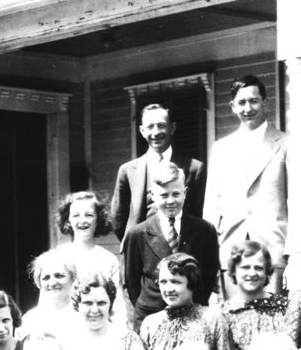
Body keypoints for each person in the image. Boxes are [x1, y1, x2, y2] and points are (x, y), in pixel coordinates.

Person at [203, 75, 290, 295]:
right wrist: (210, 257)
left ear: (265, 103)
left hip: (273, 247)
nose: (248, 108)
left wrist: (293, 253)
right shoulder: (222, 148)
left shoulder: (287, 143)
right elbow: (212, 206)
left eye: (253, 101)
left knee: (274, 319)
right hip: (231, 250)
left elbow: (298, 203)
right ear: (233, 107)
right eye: (241, 102)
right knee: (232, 320)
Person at [124, 162, 221, 330]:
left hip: (194, 317)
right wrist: (150, 306)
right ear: (152, 195)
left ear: (185, 193)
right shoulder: (137, 234)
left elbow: (209, 275)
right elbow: (132, 282)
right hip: (151, 316)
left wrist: (194, 302)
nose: (170, 201)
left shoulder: (205, 230)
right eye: (163, 195)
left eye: (176, 194)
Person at [138, 253, 238, 350]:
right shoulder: (150, 324)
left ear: (191, 283)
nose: (168, 288)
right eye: (163, 282)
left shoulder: (212, 319)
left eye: (175, 282)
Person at [110, 101, 206, 244]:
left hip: (181, 249)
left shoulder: (194, 168)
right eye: (150, 127)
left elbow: (200, 215)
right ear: (142, 131)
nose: (156, 132)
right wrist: (134, 243)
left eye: (161, 126)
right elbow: (118, 219)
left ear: (172, 128)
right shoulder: (128, 171)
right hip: (141, 249)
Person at [219, 240, 288, 350]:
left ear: (267, 271)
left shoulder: (285, 308)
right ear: (234, 271)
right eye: (245, 267)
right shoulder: (222, 314)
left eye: (258, 268)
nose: (252, 273)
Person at [55, 190, 129, 328]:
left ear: (98, 219)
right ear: (68, 220)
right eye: (76, 215)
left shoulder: (107, 259)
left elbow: (117, 302)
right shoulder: (59, 257)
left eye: (88, 215)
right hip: (66, 328)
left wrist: (121, 331)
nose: (82, 220)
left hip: (99, 327)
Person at [18, 249, 84, 350]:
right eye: (46, 278)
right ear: (39, 283)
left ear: (72, 278)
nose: (52, 282)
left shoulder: (83, 315)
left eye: (59, 276)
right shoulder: (29, 320)